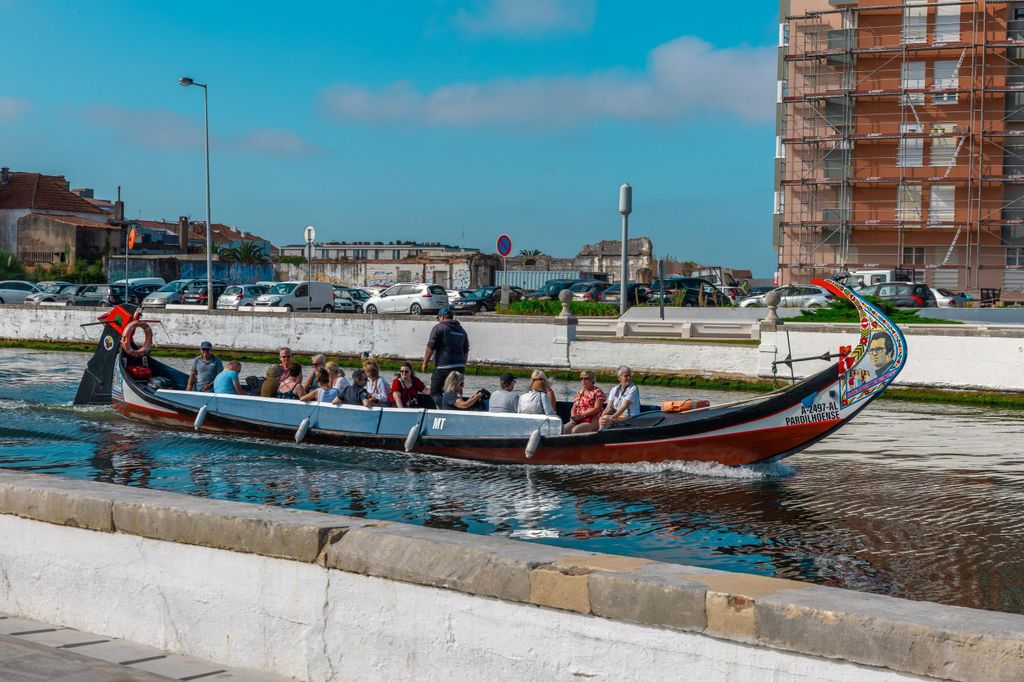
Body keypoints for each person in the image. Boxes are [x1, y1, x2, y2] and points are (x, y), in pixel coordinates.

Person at [422, 307, 469, 406]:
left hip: (443, 367)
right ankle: (457, 411)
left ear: (442, 317)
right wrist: (462, 366)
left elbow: (430, 346)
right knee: (456, 392)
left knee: (435, 392)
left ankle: (442, 411)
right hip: (459, 367)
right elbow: (466, 351)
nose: (438, 321)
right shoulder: (462, 331)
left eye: (438, 318)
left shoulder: (439, 328)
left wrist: (425, 362)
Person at [563, 370, 606, 434]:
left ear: (592, 380)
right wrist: (573, 417)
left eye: (586, 378)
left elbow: (596, 408)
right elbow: (574, 408)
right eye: (581, 378)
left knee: (576, 430)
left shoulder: (597, 392)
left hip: (592, 418)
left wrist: (582, 415)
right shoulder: (579, 393)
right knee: (564, 429)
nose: (583, 380)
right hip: (579, 418)